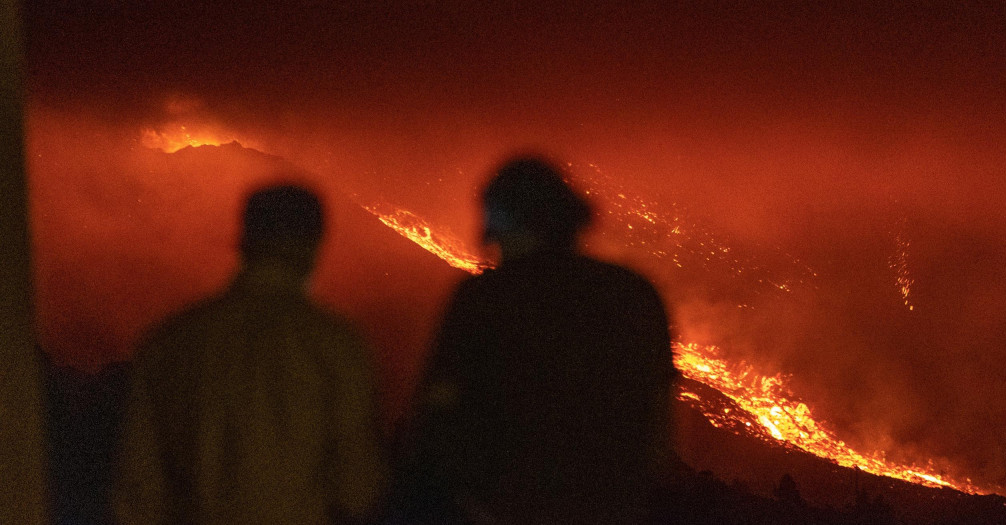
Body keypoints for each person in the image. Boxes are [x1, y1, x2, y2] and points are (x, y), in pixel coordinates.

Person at [392, 156, 677, 524]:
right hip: (613, 507)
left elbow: (437, 412)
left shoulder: (485, 299)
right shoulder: (634, 294)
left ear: (501, 222)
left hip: (506, 506)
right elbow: (660, 419)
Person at [112, 184, 386, 525]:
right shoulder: (335, 347)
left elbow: (138, 488)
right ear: (313, 246)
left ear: (244, 239)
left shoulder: (173, 343)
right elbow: (357, 486)